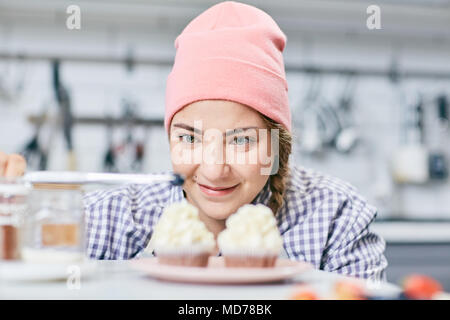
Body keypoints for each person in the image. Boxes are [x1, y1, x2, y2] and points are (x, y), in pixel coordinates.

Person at [0, 1, 387, 281]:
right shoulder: (108, 219)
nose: (215, 169)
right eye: (190, 137)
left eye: (242, 141)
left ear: (277, 145)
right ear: (170, 138)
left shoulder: (338, 218)